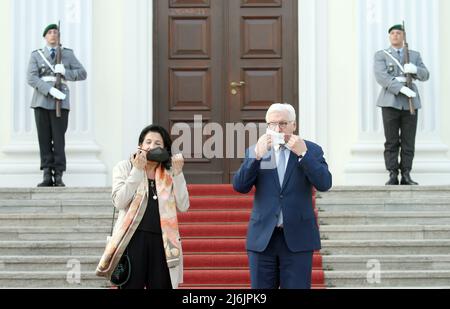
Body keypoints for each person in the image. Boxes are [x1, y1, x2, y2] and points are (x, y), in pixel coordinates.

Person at [233, 103, 332, 289]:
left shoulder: (311, 150)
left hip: (298, 237)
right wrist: (256, 157)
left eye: (283, 123)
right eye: (272, 124)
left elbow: (324, 183)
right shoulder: (256, 151)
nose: (277, 129)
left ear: (294, 125)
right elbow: (240, 186)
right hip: (263, 238)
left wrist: (303, 154)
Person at [96, 125, 190, 289]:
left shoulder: (169, 172)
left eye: (157, 143)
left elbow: (183, 205)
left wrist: (178, 174)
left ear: (165, 149)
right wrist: (137, 170)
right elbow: (119, 201)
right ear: (140, 146)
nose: (152, 146)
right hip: (132, 241)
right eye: (148, 142)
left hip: (163, 243)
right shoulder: (125, 168)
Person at [27, 23, 87, 187]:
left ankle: (58, 174)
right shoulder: (36, 55)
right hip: (42, 101)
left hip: (61, 101)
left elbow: (82, 73)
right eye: (50, 32)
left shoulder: (67, 54)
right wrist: (49, 91)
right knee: (44, 138)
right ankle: (47, 173)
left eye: (56, 32)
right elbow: (31, 78)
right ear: (45, 36)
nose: (53, 35)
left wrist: (65, 72)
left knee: (59, 139)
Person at [374, 24, 430, 185]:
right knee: (391, 140)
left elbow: (425, 74)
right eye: (392, 33)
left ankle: (406, 174)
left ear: (403, 36)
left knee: (408, 140)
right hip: (390, 102)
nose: (395, 35)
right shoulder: (382, 55)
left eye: (399, 33)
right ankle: (392, 173)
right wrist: (402, 90)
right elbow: (381, 77)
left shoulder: (414, 55)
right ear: (389, 36)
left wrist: (415, 69)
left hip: (410, 103)